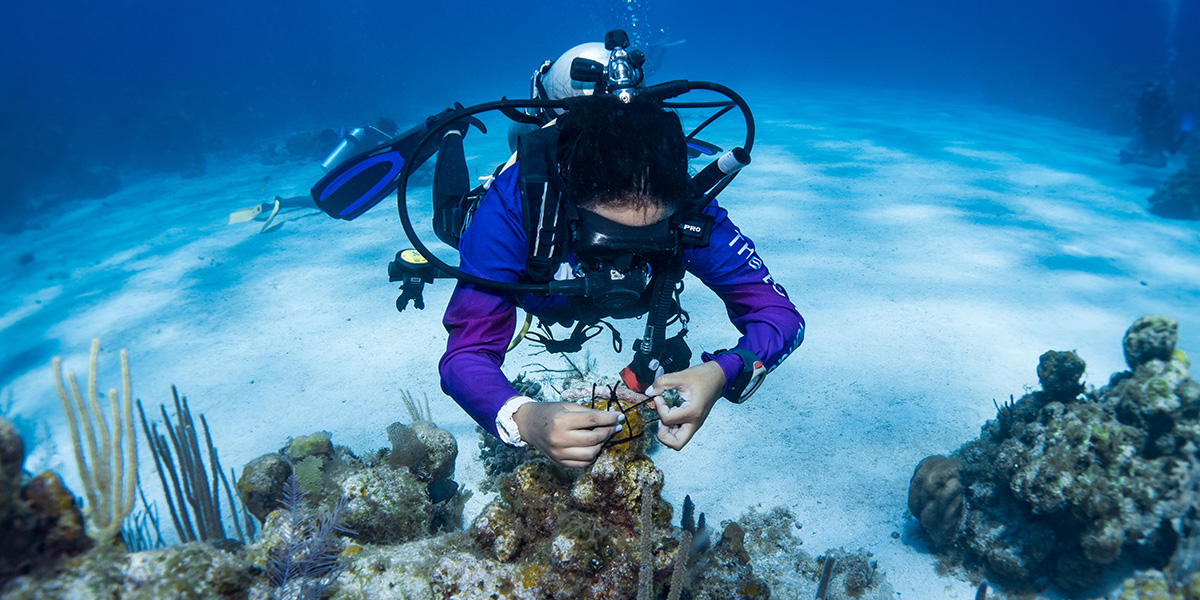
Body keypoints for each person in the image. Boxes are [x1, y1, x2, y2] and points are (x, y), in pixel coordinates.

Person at [438, 94, 804, 468]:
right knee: (447, 222)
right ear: (570, 202)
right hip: (517, 232)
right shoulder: (511, 213)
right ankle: (451, 130)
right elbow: (464, 354)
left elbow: (780, 316)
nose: (622, 266)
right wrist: (523, 418)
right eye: (606, 243)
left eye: (648, 243)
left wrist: (723, 372)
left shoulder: (688, 212)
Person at [1121, 82, 1192, 168]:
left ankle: (1133, 157)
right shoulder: (1158, 101)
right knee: (1161, 161)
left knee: (1158, 154)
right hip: (1155, 131)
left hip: (1151, 131)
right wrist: (1185, 133)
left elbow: (1140, 117)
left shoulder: (1150, 100)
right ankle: (1132, 158)